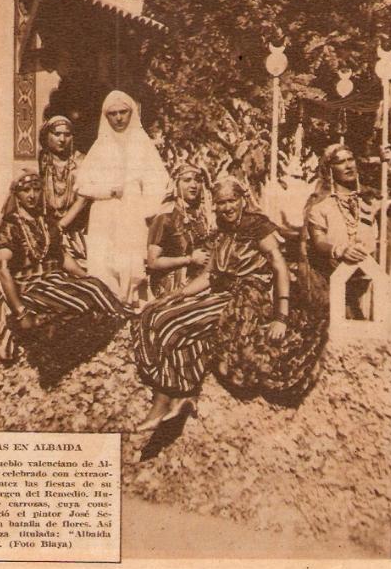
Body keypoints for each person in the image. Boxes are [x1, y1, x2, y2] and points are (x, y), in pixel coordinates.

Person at [133, 176, 327, 430]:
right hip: (223, 294)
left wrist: (281, 317)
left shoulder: (257, 226)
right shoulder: (222, 231)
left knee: (173, 323)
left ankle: (167, 399)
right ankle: (183, 396)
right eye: (221, 203)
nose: (226, 207)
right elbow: (209, 275)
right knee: (154, 314)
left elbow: (280, 267)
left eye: (231, 201)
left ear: (242, 199)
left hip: (249, 301)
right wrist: (178, 295)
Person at [0, 172, 128, 385]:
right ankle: (54, 357)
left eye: (36, 189)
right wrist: (19, 311)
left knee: (94, 287)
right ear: (16, 195)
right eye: (26, 190)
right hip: (29, 286)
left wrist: (85, 277)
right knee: (81, 305)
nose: (32, 195)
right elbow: (3, 272)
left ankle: (121, 325)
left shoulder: (46, 222)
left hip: (55, 279)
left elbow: (62, 257)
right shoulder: (9, 227)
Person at [74, 90, 170, 304]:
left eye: (123, 112)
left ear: (131, 112)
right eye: (112, 113)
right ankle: (108, 307)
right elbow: (81, 185)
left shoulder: (142, 143)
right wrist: (108, 191)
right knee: (105, 264)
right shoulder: (100, 146)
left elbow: (159, 180)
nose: (118, 118)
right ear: (106, 116)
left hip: (133, 211)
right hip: (104, 213)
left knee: (131, 262)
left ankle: (132, 307)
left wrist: (148, 209)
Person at [301, 143, 391, 318]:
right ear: (329, 169)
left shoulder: (369, 200)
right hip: (334, 273)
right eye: (340, 162)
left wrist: (390, 166)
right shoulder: (320, 206)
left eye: (350, 159)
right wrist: (340, 250)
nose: (348, 165)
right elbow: (319, 241)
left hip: (369, 272)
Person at [146, 164, 213, 297]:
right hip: (174, 287)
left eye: (197, 180)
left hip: (202, 280)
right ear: (176, 184)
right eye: (187, 180)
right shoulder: (165, 216)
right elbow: (152, 262)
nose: (193, 185)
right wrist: (189, 259)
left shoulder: (203, 215)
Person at [37, 115, 87, 261]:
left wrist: (60, 226)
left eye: (67, 134)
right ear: (47, 136)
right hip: (45, 228)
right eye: (57, 134)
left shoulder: (80, 161)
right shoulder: (40, 161)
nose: (62, 139)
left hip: (73, 231)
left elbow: (83, 199)